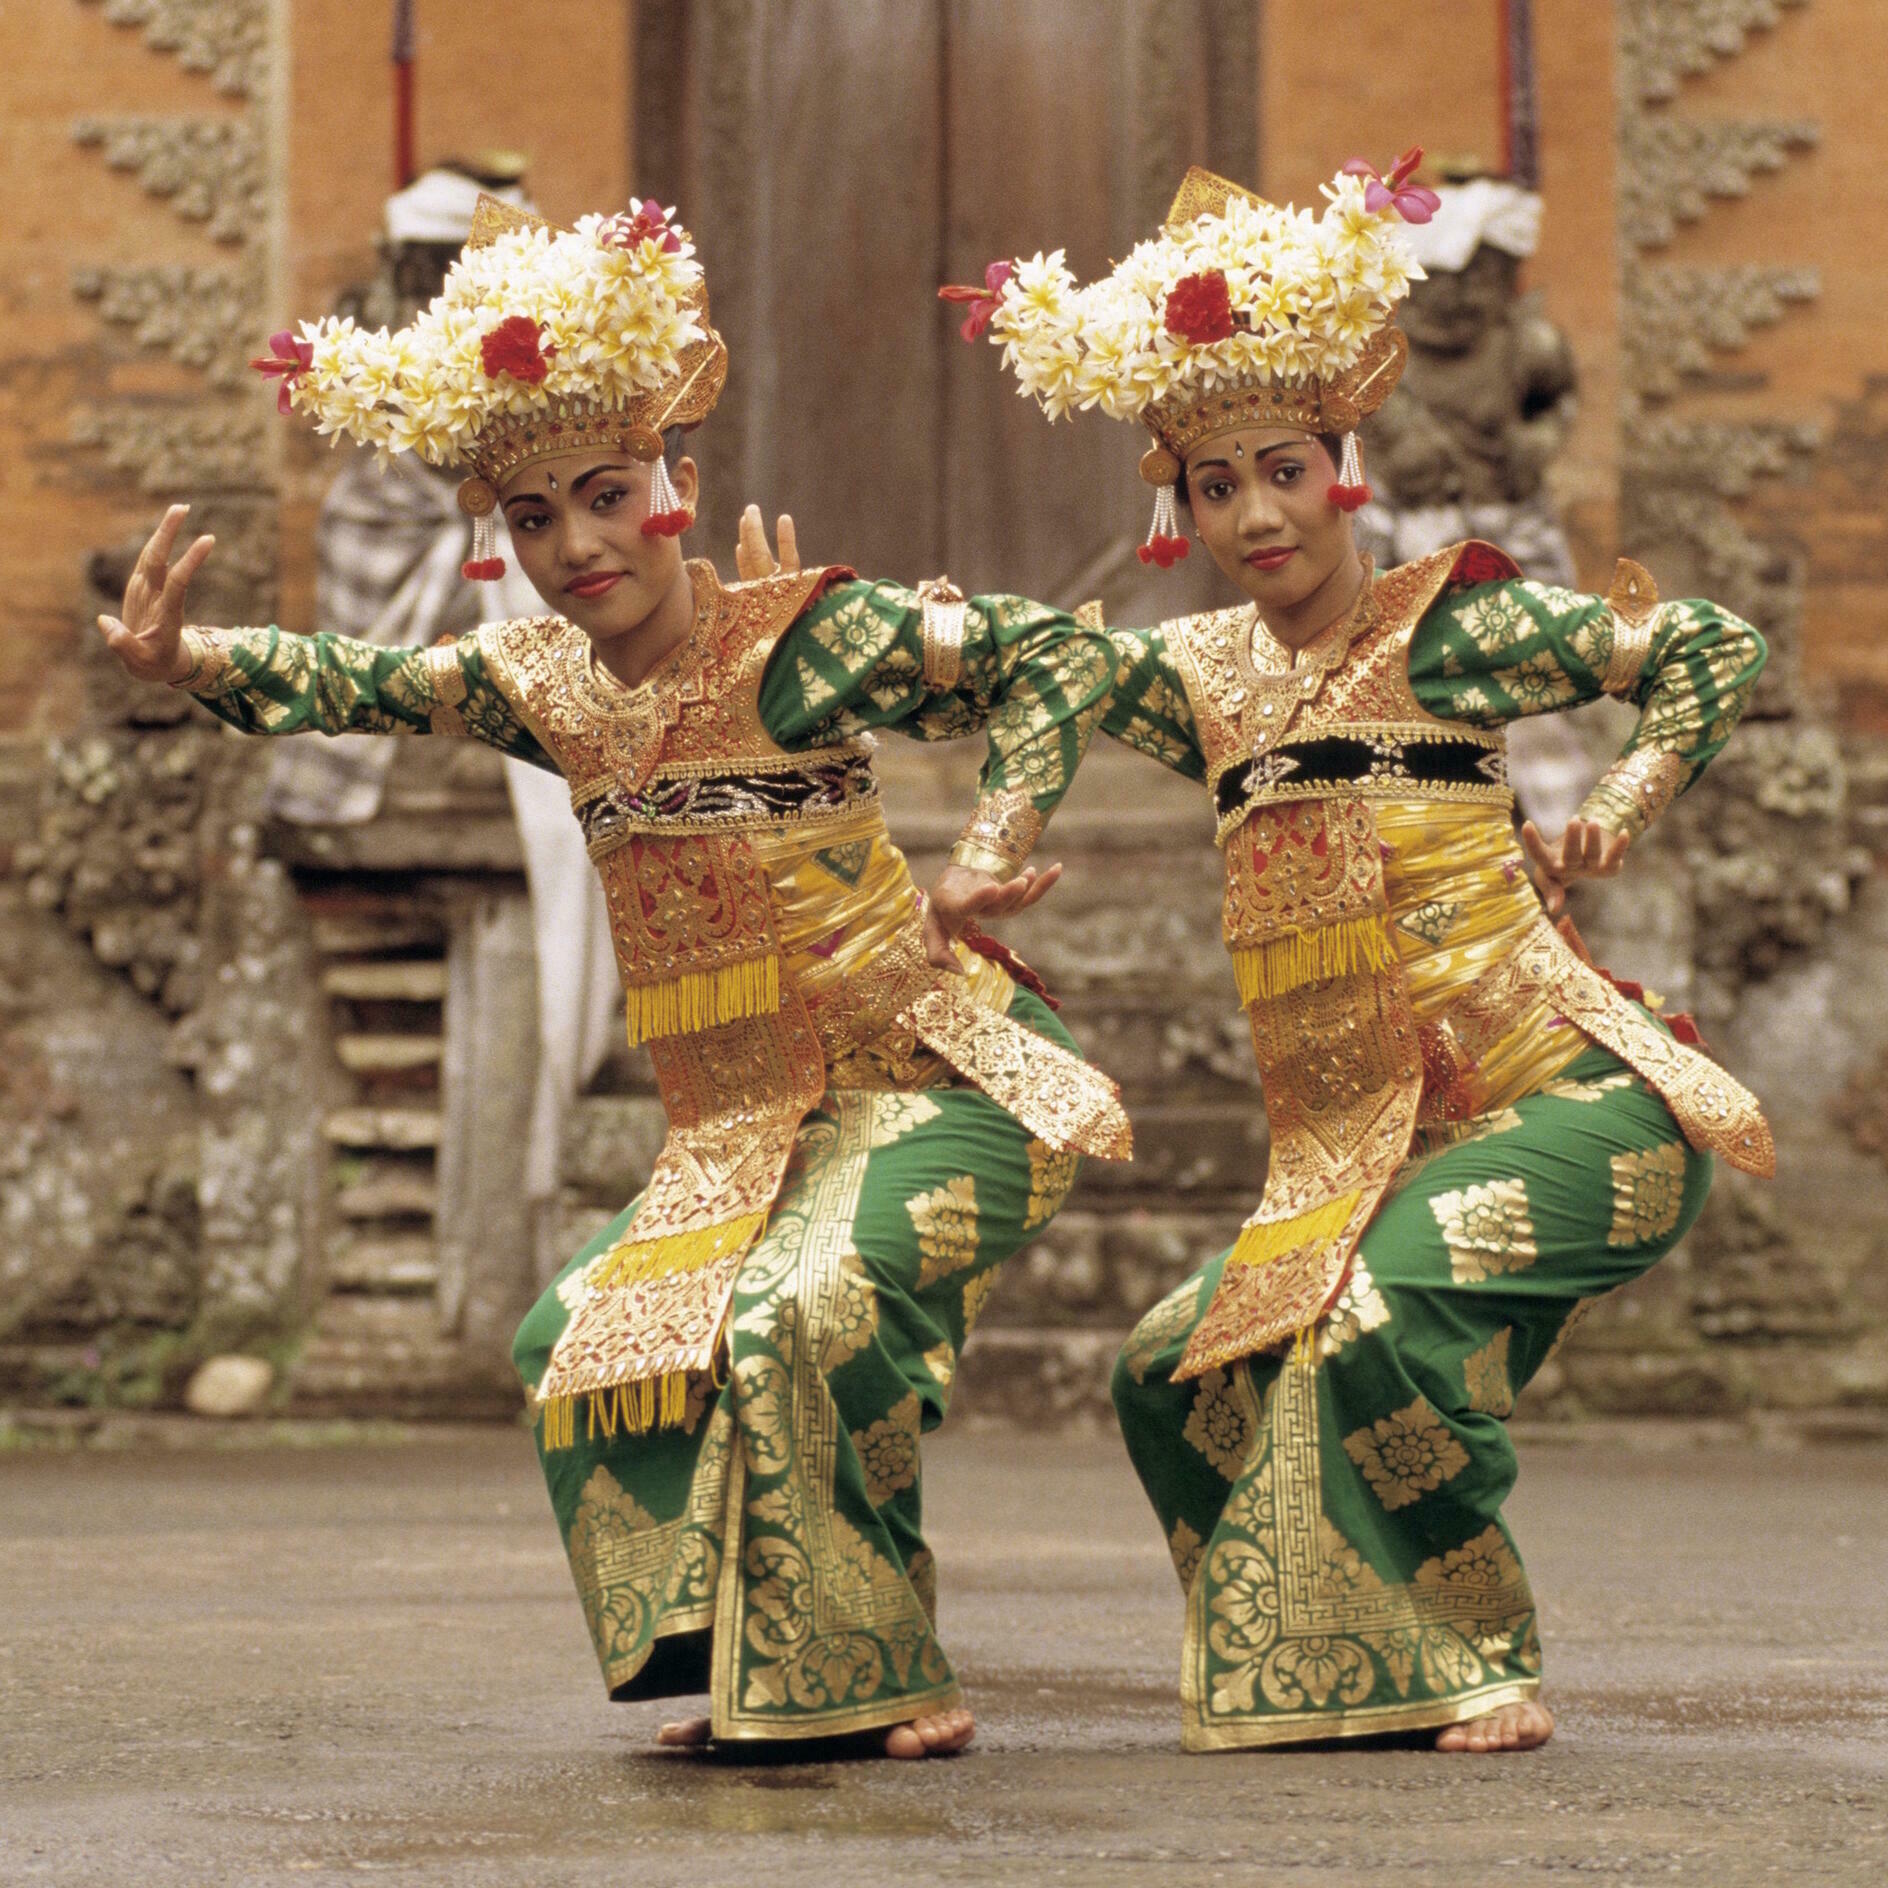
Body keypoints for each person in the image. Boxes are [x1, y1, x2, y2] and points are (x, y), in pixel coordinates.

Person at [95, 194, 1130, 1758]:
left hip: (944, 1075)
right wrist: (191, 666)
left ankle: (873, 1673)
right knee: (577, 1344)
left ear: (679, 484)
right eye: (532, 520)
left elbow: (1057, 654)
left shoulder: (805, 638)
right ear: (498, 539)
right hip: (741, 1132)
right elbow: (362, 678)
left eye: (605, 496)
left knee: (803, 1312)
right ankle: (745, 1657)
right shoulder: (543, 685)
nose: (576, 546)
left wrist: (986, 841)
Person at [946, 156, 1775, 1754]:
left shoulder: (1449, 635)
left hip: (1585, 1104)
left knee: (1376, 1320)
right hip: (1373, 1154)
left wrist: (1617, 799)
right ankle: (1327, 1648)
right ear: (1175, 509)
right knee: (1168, 1372)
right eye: (1213, 486)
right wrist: (991, 838)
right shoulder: (1192, 679)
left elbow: (1706, 646)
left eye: (1283, 471)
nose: (1255, 513)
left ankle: (1476, 1657)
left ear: (1346, 469)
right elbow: (1039, 668)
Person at [263, 158, 619, 1215]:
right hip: (418, 734)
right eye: (437, 274)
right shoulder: (385, 410)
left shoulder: (548, 391)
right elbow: (380, 565)